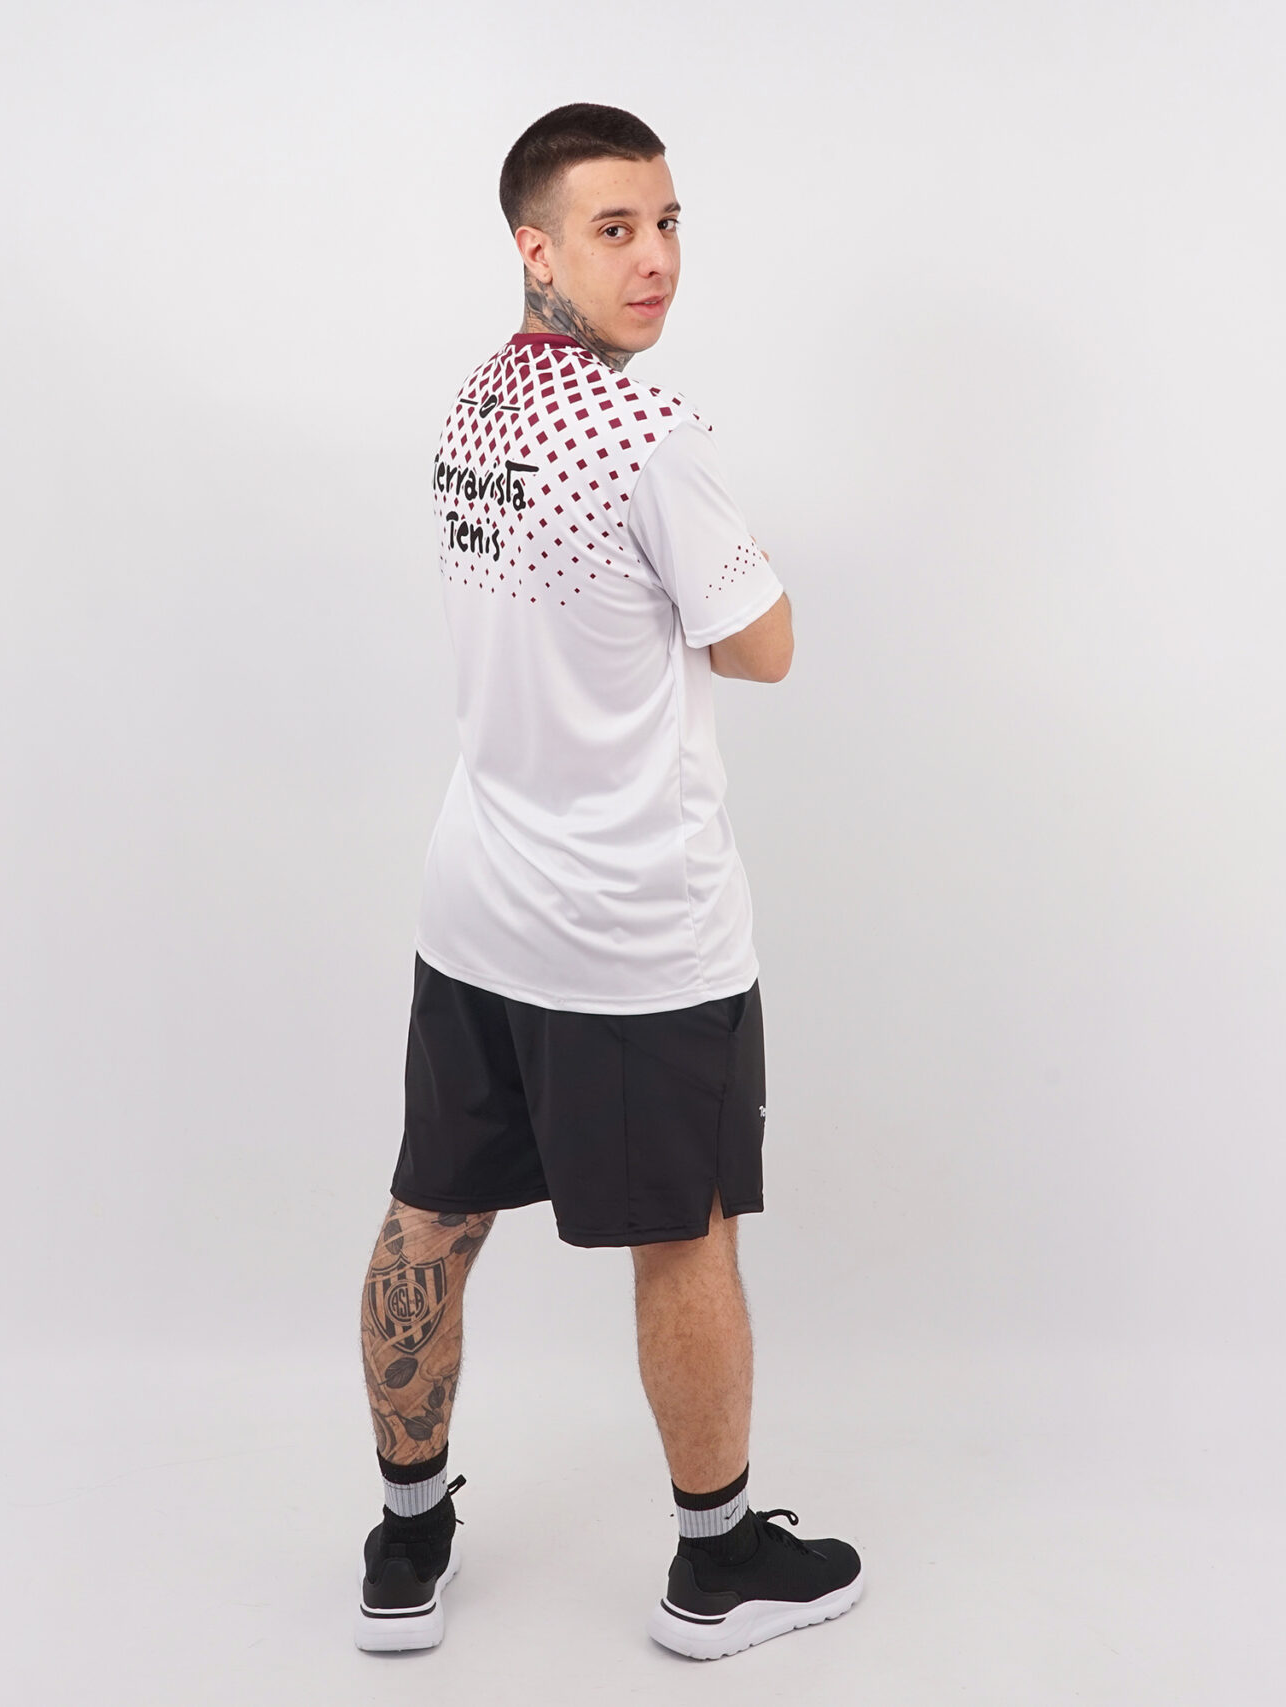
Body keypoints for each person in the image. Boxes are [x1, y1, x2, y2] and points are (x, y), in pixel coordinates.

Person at [353, 103, 861, 1662]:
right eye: (615, 229)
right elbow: (766, 647)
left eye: (668, 223)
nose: (656, 259)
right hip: (633, 933)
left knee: (432, 1211)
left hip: (477, 907)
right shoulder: (652, 436)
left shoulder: (474, 406)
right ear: (537, 248)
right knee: (684, 1234)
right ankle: (716, 1565)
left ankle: (406, 1543)